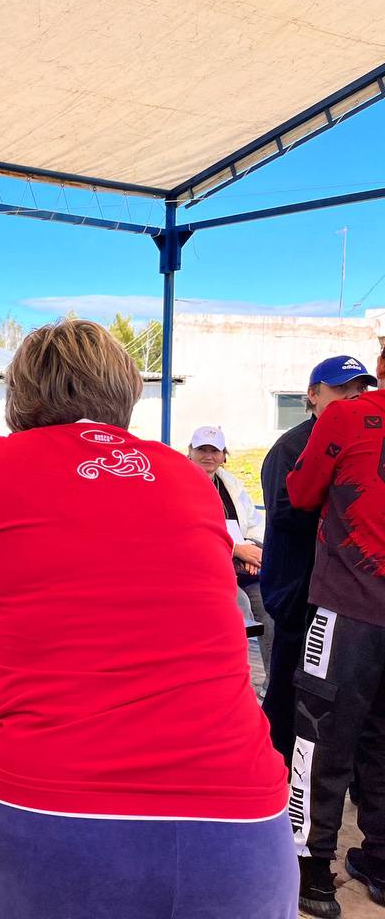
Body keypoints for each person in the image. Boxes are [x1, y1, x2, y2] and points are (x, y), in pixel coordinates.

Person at [0, 319, 294, 919]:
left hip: (55, 812)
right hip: (243, 825)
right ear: (125, 392)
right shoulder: (185, 475)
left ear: (22, 395)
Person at [286, 376, 385, 916]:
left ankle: (312, 870)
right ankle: (381, 860)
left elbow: (300, 493)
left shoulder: (346, 417)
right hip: (362, 606)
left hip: (348, 607)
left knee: (319, 738)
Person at [261, 356, 376, 763]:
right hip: (298, 589)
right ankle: (276, 765)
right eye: (342, 389)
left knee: (348, 693)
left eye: (360, 389)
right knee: (291, 686)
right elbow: (284, 513)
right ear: (313, 395)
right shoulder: (291, 446)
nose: (352, 397)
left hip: (346, 593)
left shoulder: (365, 440)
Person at [187, 424, 272, 676]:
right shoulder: (180, 481)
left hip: (239, 567)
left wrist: (251, 551)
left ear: (224, 455)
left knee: (271, 603)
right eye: (202, 449)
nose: (208, 456)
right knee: (240, 604)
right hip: (205, 572)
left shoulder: (231, 484)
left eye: (215, 450)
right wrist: (235, 549)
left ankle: (273, 683)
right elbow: (190, 530)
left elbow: (254, 523)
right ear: (189, 451)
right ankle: (233, 676)